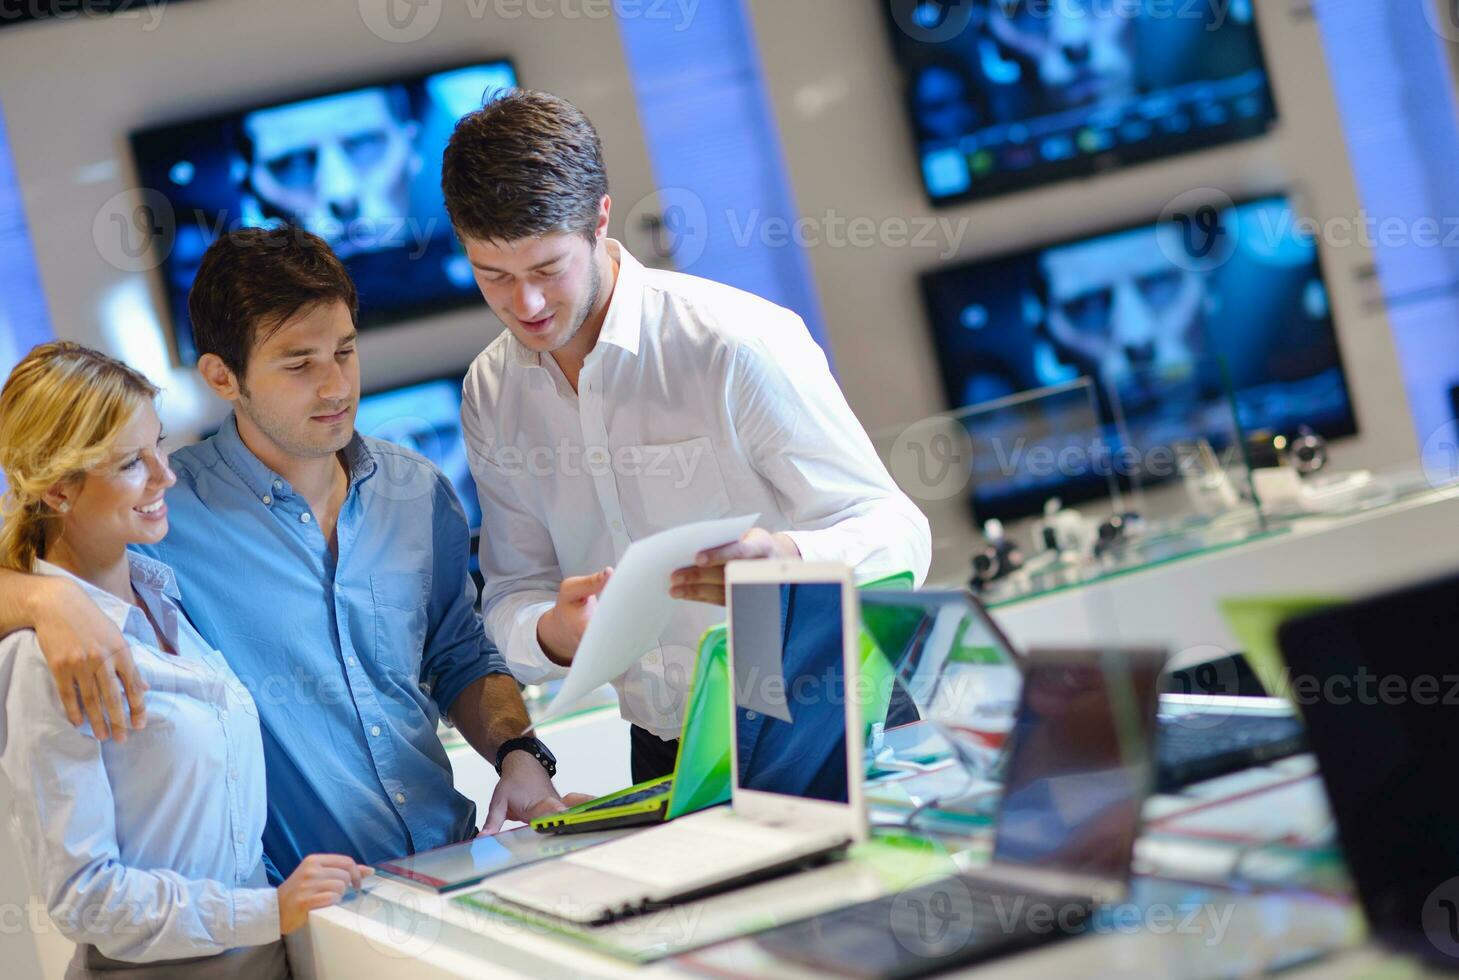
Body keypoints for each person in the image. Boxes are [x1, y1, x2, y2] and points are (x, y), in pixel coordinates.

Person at [0, 228, 584, 881]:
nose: (336, 386)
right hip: (306, 911)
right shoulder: (163, 512)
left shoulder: (416, 490)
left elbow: (459, 655)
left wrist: (519, 752)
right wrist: (41, 597)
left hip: (457, 858)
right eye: (300, 364)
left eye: (344, 351)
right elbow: (37, 555)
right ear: (223, 375)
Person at [441, 90, 932, 782]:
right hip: (664, 748)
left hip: (829, 718)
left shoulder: (733, 342)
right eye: (492, 276)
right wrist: (554, 632)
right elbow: (511, 595)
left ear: (599, 220)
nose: (524, 304)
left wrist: (785, 557)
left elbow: (900, 532)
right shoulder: (490, 393)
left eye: (547, 270)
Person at [0, 343, 370, 978]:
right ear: (58, 490)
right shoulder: (44, 660)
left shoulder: (161, 595)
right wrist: (265, 910)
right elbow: (85, 898)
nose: (163, 475)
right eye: (129, 464)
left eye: (159, 446)